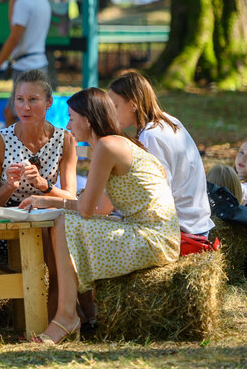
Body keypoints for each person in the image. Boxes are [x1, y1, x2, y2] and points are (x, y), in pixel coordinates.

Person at [20, 88, 180, 344]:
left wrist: (48, 201)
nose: (68, 124)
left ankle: (66, 316)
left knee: (63, 220)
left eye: (71, 118)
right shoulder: (115, 143)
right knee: (63, 218)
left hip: (154, 239)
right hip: (159, 236)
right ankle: (76, 312)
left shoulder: (107, 146)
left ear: (88, 119)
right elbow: (101, 209)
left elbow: (85, 209)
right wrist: (45, 201)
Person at [0, 69, 77, 313]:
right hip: (10, 221)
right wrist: (9, 187)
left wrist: (44, 186)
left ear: (48, 103)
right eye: (20, 99)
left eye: (33, 100)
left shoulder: (64, 140)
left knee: (52, 227)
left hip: (49, 215)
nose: (25, 107)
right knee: (45, 231)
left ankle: (59, 310)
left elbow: (71, 196)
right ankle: (61, 311)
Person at [107, 71, 214, 238]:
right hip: (196, 223)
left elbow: (158, 193)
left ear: (133, 105)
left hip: (182, 229)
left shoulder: (151, 136)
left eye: (115, 106)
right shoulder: (169, 121)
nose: (111, 113)